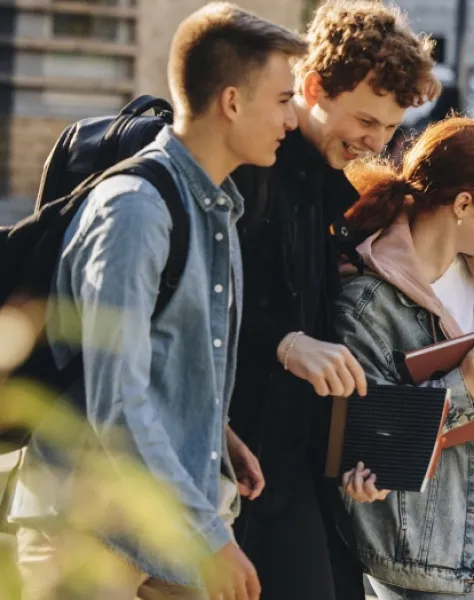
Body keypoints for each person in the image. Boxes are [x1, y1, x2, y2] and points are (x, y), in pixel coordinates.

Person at [8, 4, 306, 599]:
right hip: (86, 535)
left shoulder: (218, 211)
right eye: (282, 99)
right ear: (231, 101)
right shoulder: (136, 210)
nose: (293, 119)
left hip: (166, 535)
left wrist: (215, 434)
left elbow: (165, 356)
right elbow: (115, 399)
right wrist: (207, 536)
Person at [226, 2, 438, 598]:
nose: (376, 142)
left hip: (297, 469)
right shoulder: (251, 169)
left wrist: (352, 458)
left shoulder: (329, 185)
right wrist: (284, 344)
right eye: (366, 120)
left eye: (391, 128)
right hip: (243, 465)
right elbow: (199, 307)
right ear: (313, 85)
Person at [331, 117, 474, 600]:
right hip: (420, 524)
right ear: (463, 204)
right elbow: (364, 433)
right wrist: (465, 387)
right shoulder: (367, 302)